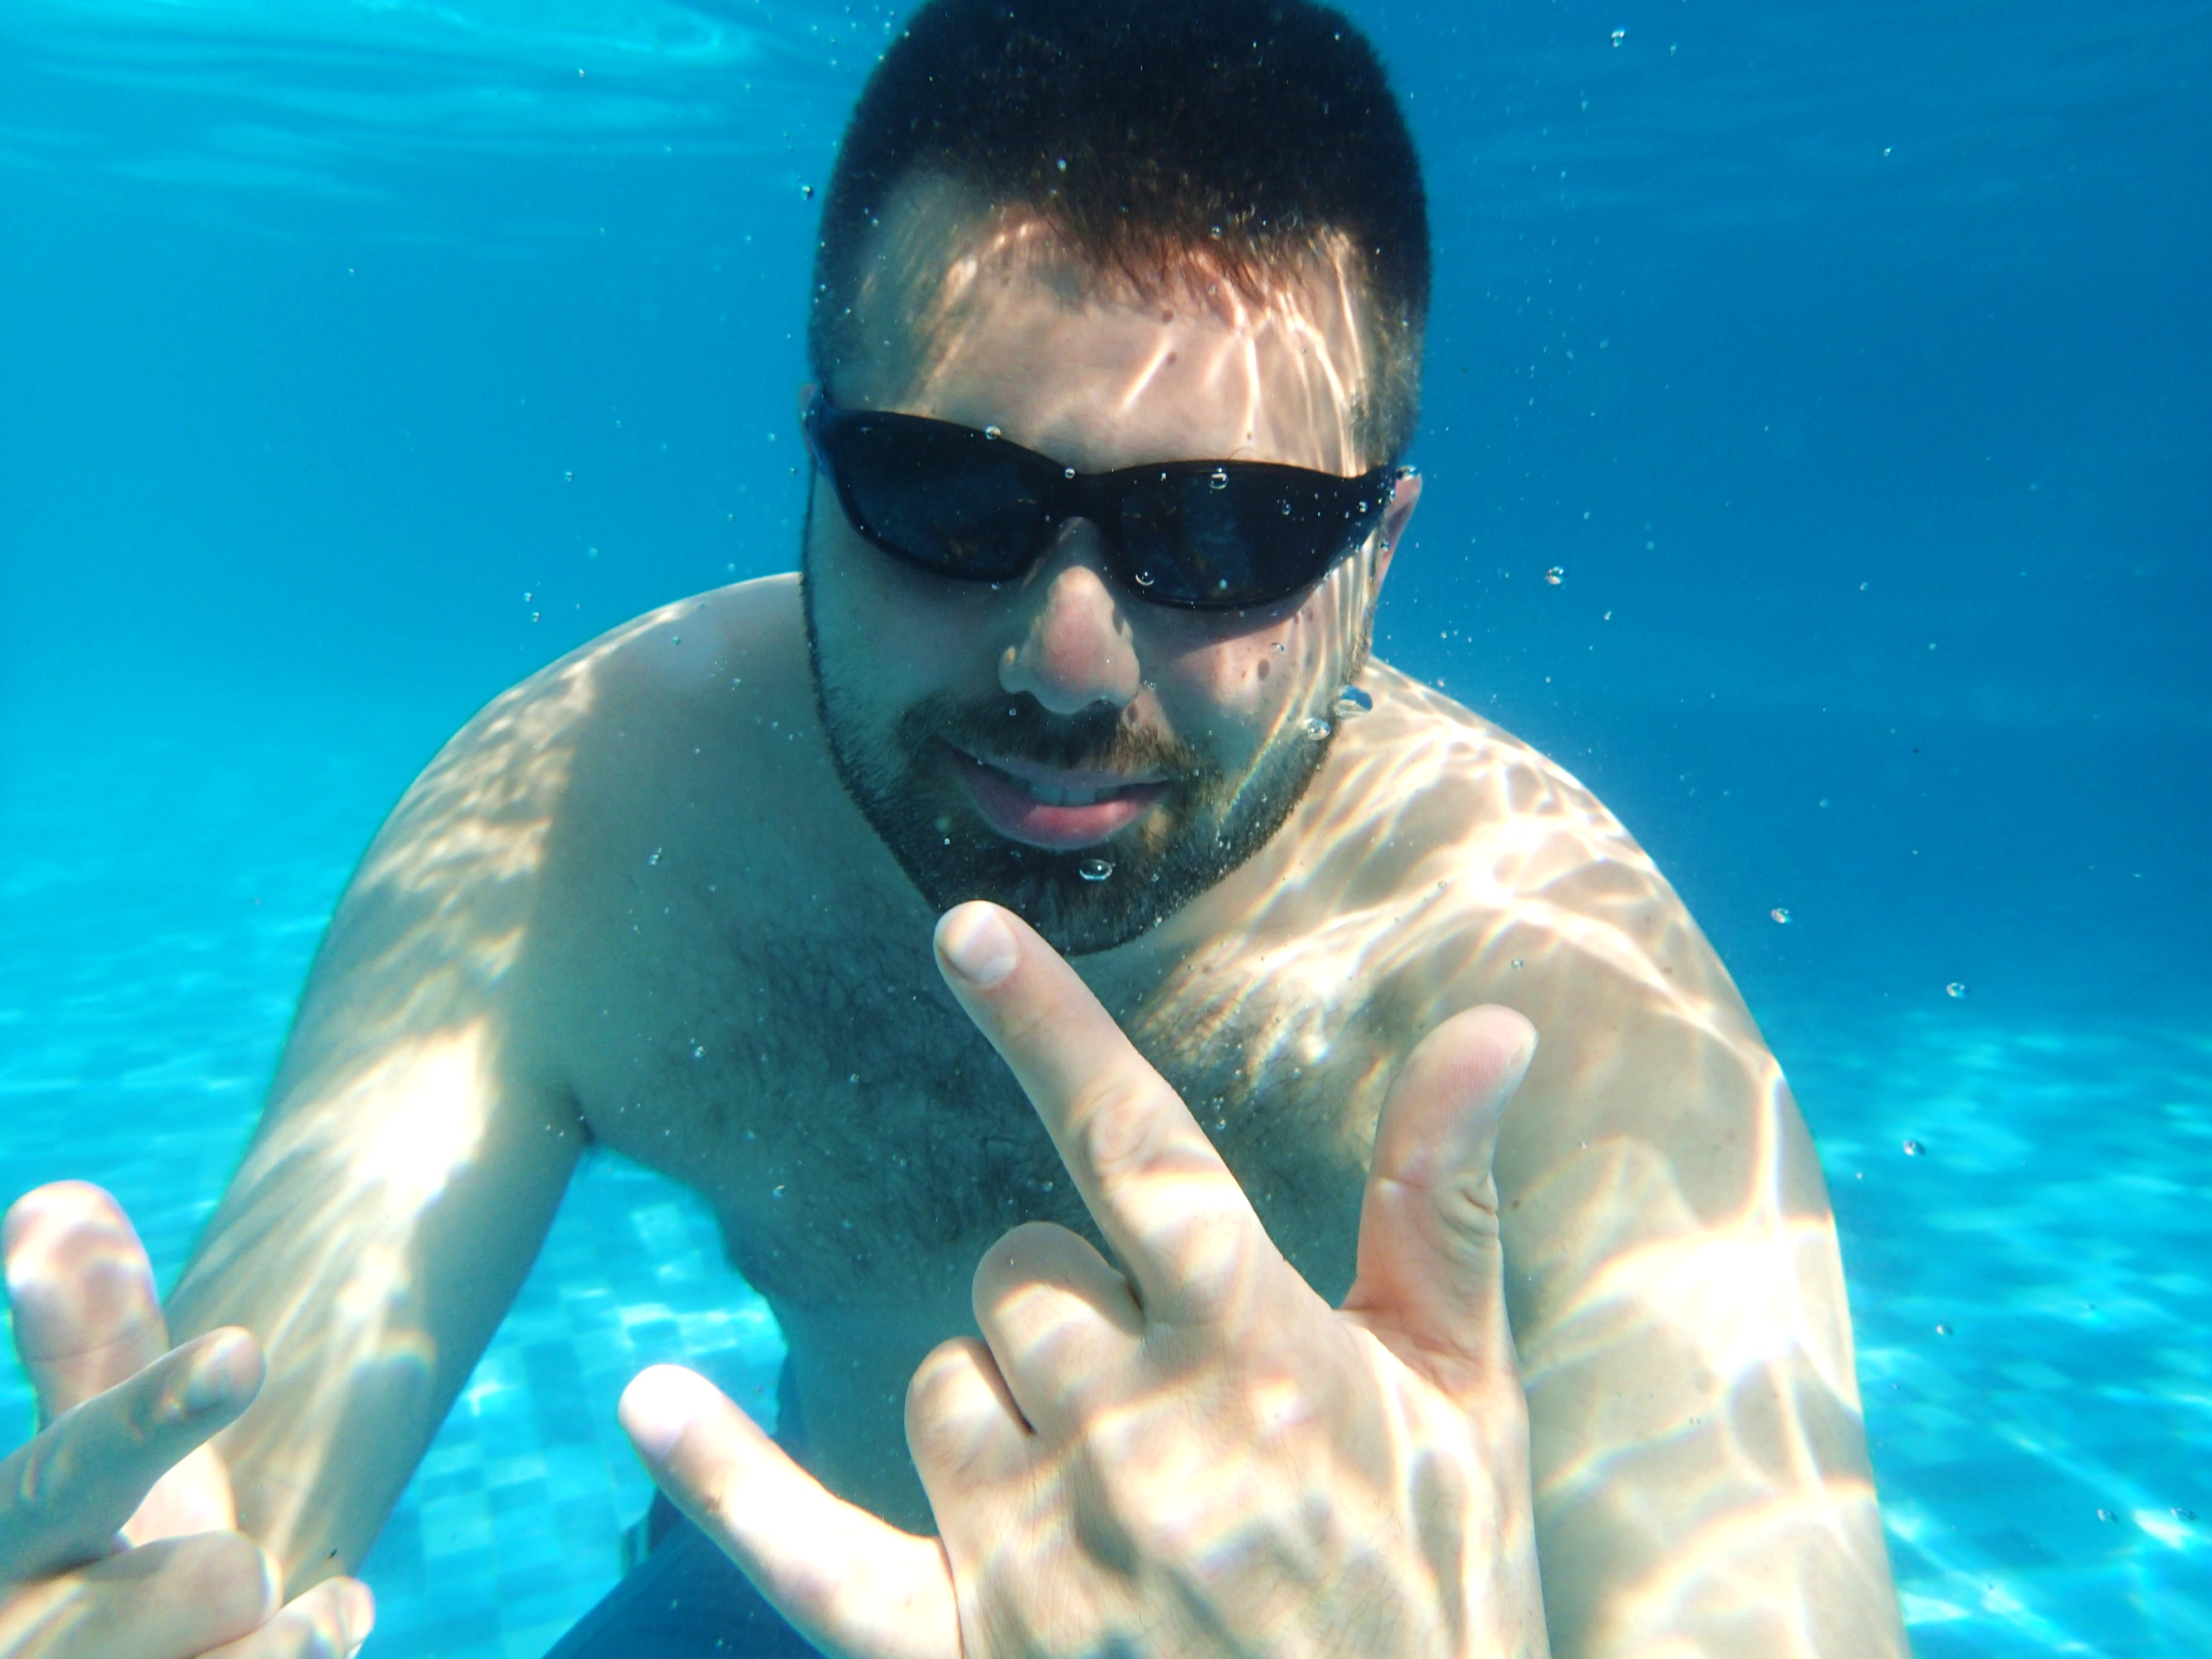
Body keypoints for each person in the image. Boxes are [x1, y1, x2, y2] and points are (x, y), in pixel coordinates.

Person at [0, 2, 1908, 1655]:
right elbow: (225, 1517)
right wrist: (133, 1609)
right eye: (946, 494)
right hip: (797, 1585)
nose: (1069, 658)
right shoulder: (580, 814)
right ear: (818, 456)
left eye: (1222, 533)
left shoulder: (1557, 990)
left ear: (1375, 559)